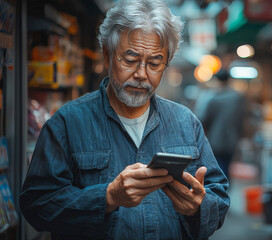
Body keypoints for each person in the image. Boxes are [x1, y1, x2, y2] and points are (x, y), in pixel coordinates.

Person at [19, 0, 229, 239]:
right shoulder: (67, 123)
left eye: (154, 63)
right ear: (107, 57)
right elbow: (37, 205)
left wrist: (198, 207)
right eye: (129, 60)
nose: (141, 74)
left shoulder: (185, 122)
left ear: (166, 64)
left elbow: (219, 197)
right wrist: (108, 197)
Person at [198, 69, 245, 179]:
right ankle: (226, 188)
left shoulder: (213, 99)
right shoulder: (237, 98)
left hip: (215, 140)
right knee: (227, 166)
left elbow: (205, 120)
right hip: (232, 139)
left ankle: (221, 189)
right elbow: (241, 119)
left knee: (218, 167)